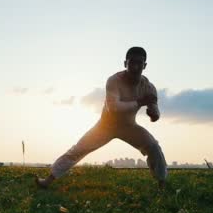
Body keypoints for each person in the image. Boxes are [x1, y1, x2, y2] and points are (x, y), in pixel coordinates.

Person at [36, 46, 168, 189]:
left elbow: (155, 113)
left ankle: (162, 183)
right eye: (131, 63)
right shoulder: (114, 80)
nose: (135, 67)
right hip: (106, 126)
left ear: (145, 65)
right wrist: (140, 102)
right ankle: (47, 181)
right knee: (78, 150)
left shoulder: (149, 88)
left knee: (154, 147)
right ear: (125, 63)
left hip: (129, 127)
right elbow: (114, 108)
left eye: (139, 64)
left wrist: (154, 114)